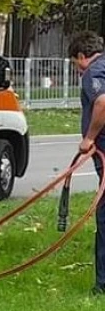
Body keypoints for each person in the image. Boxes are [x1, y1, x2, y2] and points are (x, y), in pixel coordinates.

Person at [68, 31, 105, 294]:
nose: (77, 68)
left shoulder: (93, 73)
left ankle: (102, 285)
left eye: (75, 63)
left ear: (82, 56)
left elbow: (102, 102)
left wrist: (89, 137)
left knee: (104, 218)